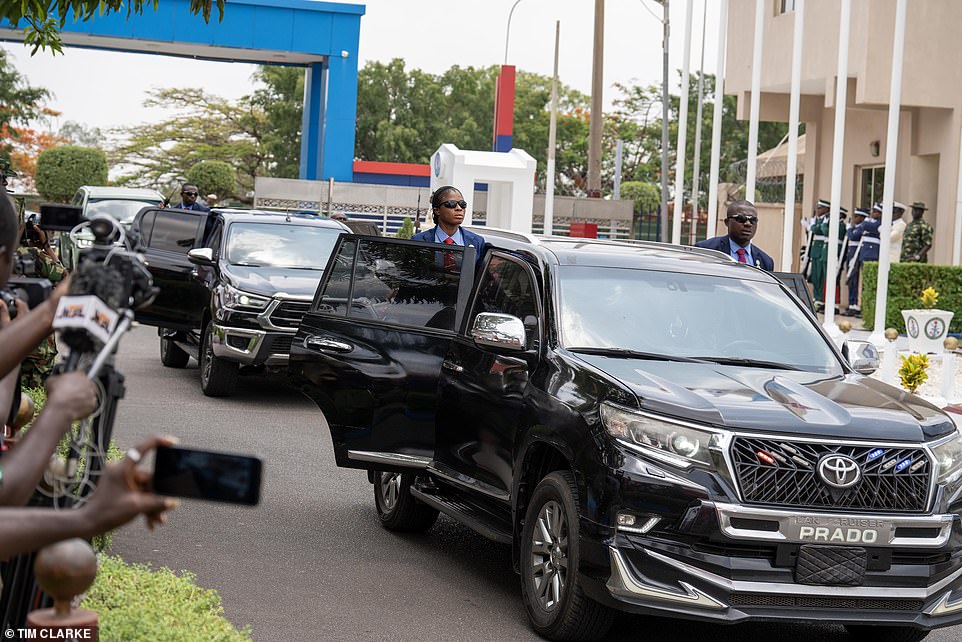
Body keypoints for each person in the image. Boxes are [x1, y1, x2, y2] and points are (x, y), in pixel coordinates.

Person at [16, 213, 67, 389]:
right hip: (37, 343)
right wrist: (46, 246)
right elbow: (64, 278)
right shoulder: (35, 255)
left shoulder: (10, 254)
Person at [411, 186, 486, 266]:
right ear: (437, 210)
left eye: (462, 204)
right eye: (451, 204)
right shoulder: (418, 241)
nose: (459, 208)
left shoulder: (477, 242)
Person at [695, 199, 774, 270]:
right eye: (741, 219)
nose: (748, 224)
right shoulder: (706, 250)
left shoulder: (766, 262)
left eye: (753, 220)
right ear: (727, 222)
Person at [842, 208, 868, 317]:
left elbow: (852, 236)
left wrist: (848, 229)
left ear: (862, 218)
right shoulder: (855, 228)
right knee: (851, 281)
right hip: (851, 255)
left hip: (856, 257)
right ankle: (851, 304)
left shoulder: (861, 228)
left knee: (855, 280)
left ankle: (855, 305)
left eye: (856, 216)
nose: (854, 218)